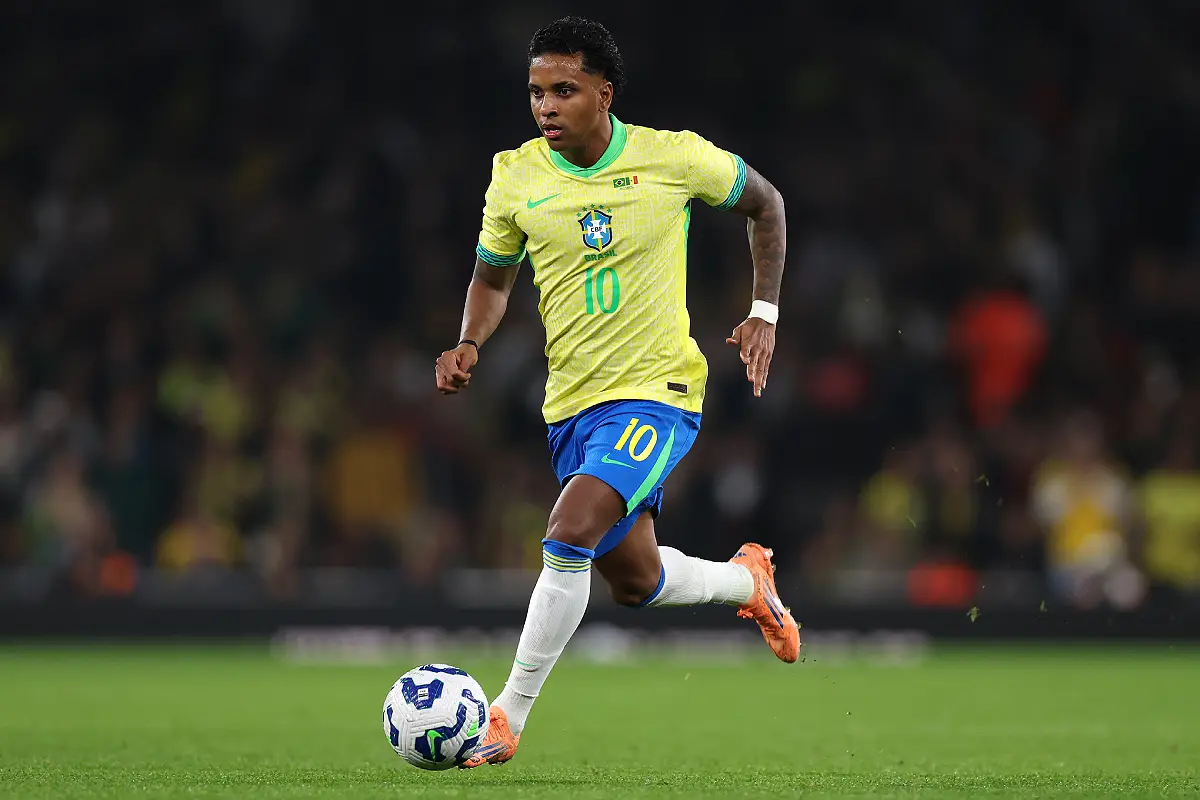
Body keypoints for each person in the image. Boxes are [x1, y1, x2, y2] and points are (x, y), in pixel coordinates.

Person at [434, 16, 799, 768]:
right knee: (635, 580)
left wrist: (762, 313)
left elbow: (768, 204)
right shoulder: (516, 176)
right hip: (571, 408)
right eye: (537, 92)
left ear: (604, 93)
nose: (546, 107)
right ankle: (747, 580)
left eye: (564, 91)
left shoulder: (673, 158)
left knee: (567, 531)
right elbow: (492, 281)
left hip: (658, 393)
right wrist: (470, 340)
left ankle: (506, 717)